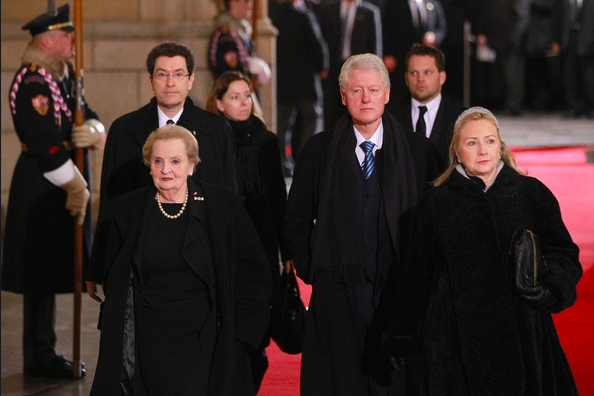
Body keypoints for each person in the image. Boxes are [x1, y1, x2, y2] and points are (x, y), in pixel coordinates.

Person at [383, 106, 582, 395]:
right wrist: (401, 336)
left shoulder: (530, 193)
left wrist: (549, 286)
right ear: (456, 151)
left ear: (500, 146)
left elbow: (564, 252)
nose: (482, 150)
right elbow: (415, 276)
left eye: (489, 141)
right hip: (454, 343)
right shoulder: (436, 204)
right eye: (471, 142)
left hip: (524, 336)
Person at [285, 53, 442, 395]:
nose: (366, 99)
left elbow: (435, 225)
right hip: (337, 295)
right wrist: (314, 271)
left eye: (373, 90)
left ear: (387, 94)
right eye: (356, 91)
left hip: (397, 293)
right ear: (343, 97)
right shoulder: (318, 150)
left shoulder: (419, 152)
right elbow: (295, 219)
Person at [87, 125, 272, 395]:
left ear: (191, 165)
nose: (166, 170)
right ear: (148, 164)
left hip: (205, 340)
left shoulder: (222, 207)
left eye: (175, 161)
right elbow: (114, 280)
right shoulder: (127, 211)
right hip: (146, 339)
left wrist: (243, 337)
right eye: (158, 161)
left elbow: (254, 273)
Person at [1, 4, 105, 379]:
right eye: (67, 35)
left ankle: (44, 352)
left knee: (48, 270)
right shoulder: (33, 83)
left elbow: (87, 111)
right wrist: (76, 184)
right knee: (39, 275)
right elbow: (44, 142)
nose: (73, 41)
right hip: (43, 183)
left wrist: (94, 131)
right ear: (48, 40)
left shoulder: (60, 76)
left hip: (59, 180)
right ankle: (39, 355)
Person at [85, 42, 237, 292]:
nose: (170, 83)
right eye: (162, 74)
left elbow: (228, 200)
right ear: (150, 80)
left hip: (199, 260)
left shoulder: (217, 131)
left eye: (178, 74)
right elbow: (111, 202)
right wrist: (98, 264)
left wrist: (230, 263)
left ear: (190, 80)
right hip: (141, 261)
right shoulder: (124, 130)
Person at [205, 71, 291, 391]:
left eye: (247, 96)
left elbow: (277, 197)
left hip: (262, 241)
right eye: (235, 97)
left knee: (257, 316)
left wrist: (288, 252)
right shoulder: (210, 140)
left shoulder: (267, 140)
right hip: (224, 241)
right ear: (219, 103)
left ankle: (253, 369)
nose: (243, 103)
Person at [272, 0, 329, 176]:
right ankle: (308, 162)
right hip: (306, 84)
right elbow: (317, 46)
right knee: (312, 121)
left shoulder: (274, 18)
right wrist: (322, 68)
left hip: (283, 83)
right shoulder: (304, 16)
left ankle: (282, 164)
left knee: (281, 126)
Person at [390, 43, 464, 163]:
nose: (420, 79)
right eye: (414, 73)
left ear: (442, 77)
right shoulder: (391, 117)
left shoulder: (461, 117)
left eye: (427, 72)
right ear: (406, 79)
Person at [316, 0, 382, 129]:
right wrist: (321, 65)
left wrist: (374, 73)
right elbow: (320, 42)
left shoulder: (370, 12)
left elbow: (375, 46)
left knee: (355, 108)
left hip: (358, 71)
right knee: (331, 109)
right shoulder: (327, 10)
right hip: (331, 70)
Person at [382, 0, 447, 105]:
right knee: (401, 95)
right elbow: (386, 29)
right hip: (400, 59)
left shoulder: (433, 4)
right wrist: (388, 54)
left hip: (427, 60)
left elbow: (441, 26)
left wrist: (434, 36)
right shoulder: (394, 4)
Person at [474, 0, 530, 115]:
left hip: (512, 45)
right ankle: (506, 103)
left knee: (513, 76)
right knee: (503, 76)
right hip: (498, 42)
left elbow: (523, 19)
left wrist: (512, 39)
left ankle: (514, 106)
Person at [208, 0, 271, 88]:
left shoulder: (242, 29)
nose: (250, 5)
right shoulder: (226, 35)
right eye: (246, 1)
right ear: (233, 3)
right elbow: (230, 72)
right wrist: (249, 69)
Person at [559, 0, 594, 118]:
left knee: (588, 75)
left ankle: (591, 107)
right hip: (570, 39)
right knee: (570, 74)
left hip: (588, 40)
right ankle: (574, 106)